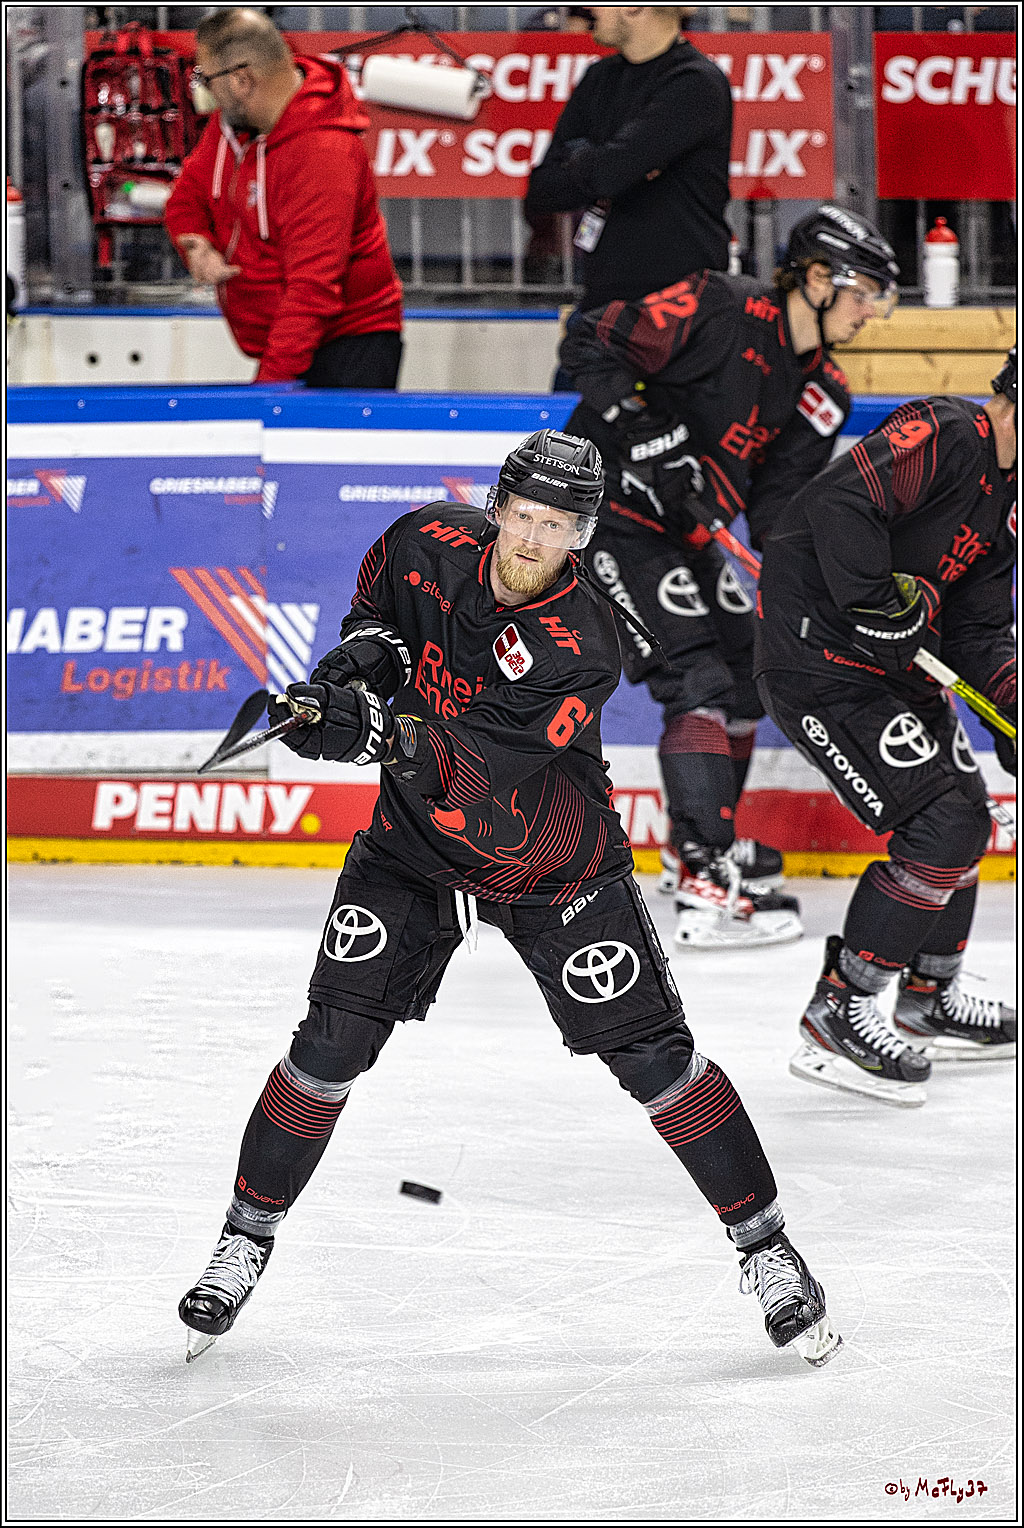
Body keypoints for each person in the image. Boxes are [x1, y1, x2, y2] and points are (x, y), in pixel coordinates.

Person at [178, 430, 841, 1371]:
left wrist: (377, 734)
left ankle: (769, 1251)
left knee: (656, 1059)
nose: (533, 539)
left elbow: (481, 768)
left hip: (551, 866)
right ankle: (244, 1238)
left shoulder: (584, 643)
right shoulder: (422, 541)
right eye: (524, 516)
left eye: (558, 525)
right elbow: (377, 622)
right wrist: (348, 681)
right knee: (329, 1044)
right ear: (496, 507)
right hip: (412, 853)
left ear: (584, 535)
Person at [558, 205, 900, 950]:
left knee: (748, 675)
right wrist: (644, 427)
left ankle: (697, 842)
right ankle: (706, 876)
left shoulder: (824, 393)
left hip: (682, 533)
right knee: (697, 681)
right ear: (816, 278)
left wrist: (814, 583)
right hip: (605, 513)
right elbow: (588, 338)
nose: (872, 311)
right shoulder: (720, 305)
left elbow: (778, 508)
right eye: (864, 291)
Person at [755, 354, 1017, 1106]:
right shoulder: (945, 430)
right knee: (941, 822)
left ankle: (927, 997)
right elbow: (841, 503)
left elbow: (977, 630)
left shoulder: (1008, 499)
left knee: (968, 813)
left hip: (897, 672)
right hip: (818, 662)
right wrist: (874, 602)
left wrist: (1011, 708)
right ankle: (839, 1009)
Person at [164, 8, 403, 387]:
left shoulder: (323, 153)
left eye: (206, 79)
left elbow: (313, 289)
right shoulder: (231, 125)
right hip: (288, 343)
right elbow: (186, 197)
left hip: (347, 347)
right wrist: (196, 243)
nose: (204, 93)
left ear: (241, 79)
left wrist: (268, 390)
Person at [524, 5, 731, 387]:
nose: (587, 8)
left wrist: (590, 158)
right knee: (567, 418)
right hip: (601, 310)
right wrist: (617, 162)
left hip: (680, 315)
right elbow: (543, 190)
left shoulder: (695, 82)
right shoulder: (599, 78)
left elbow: (610, 174)